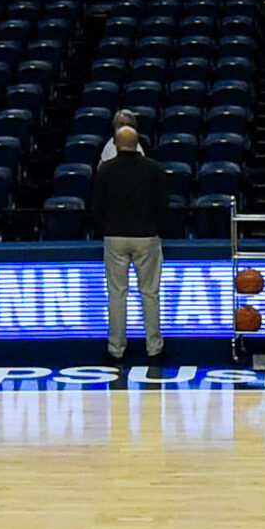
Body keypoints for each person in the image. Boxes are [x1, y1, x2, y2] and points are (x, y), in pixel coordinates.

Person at [89, 125, 171, 360]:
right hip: (147, 237)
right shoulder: (153, 169)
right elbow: (162, 206)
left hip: (115, 236)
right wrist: (160, 231)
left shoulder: (106, 170)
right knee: (150, 293)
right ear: (137, 145)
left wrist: (103, 230)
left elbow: (98, 206)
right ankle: (154, 347)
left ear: (115, 145)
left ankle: (116, 348)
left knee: (117, 294)